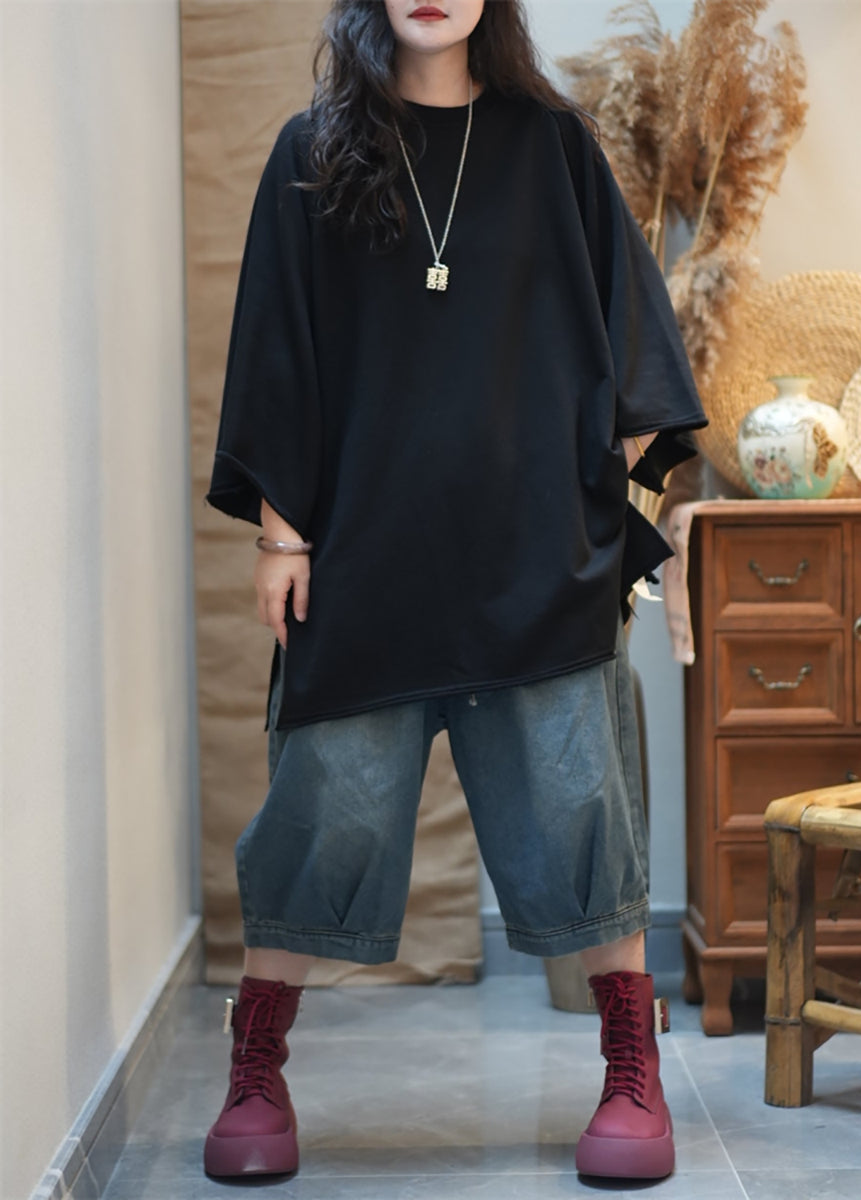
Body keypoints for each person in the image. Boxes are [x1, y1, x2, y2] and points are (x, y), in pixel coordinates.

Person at [203, 0, 706, 1184]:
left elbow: (631, 335)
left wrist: (600, 492)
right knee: (322, 814)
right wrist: (281, 538)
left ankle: (630, 1068)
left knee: (583, 812)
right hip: (364, 563)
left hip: (537, 567)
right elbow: (275, 347)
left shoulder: (555, 146)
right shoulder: (313, 151)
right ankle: (256, 1068)